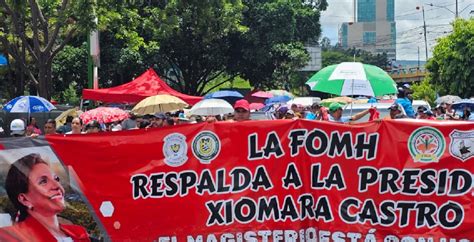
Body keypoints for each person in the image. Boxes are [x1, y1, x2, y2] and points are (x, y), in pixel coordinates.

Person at [0, 154, 90, 241]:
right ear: (24, 199)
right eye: (43, 181)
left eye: (56, 179)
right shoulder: (11, 237)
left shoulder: (79, 232)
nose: (57, 185)